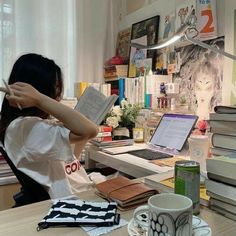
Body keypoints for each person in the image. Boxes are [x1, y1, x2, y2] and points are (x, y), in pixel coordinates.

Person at [0, 53, 100, 199]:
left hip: (82, 189)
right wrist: (40, 100)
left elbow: (68, 161)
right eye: (56, 88)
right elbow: (91, 131)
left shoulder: (25, 125)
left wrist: (79, 129)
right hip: (78, 198)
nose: (58, 96)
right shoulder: (26, 128)